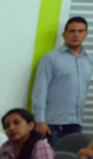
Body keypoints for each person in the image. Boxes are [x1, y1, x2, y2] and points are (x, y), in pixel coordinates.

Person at [31, 16, 93, 147]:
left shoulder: (88, 61)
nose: (76, 34)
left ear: (85, 35)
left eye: (80, 31)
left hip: (76, 123)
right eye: (72, 31)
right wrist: (40, 120)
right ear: (64, 34)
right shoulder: (51, 58)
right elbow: (39, 90)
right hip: (53, 124)